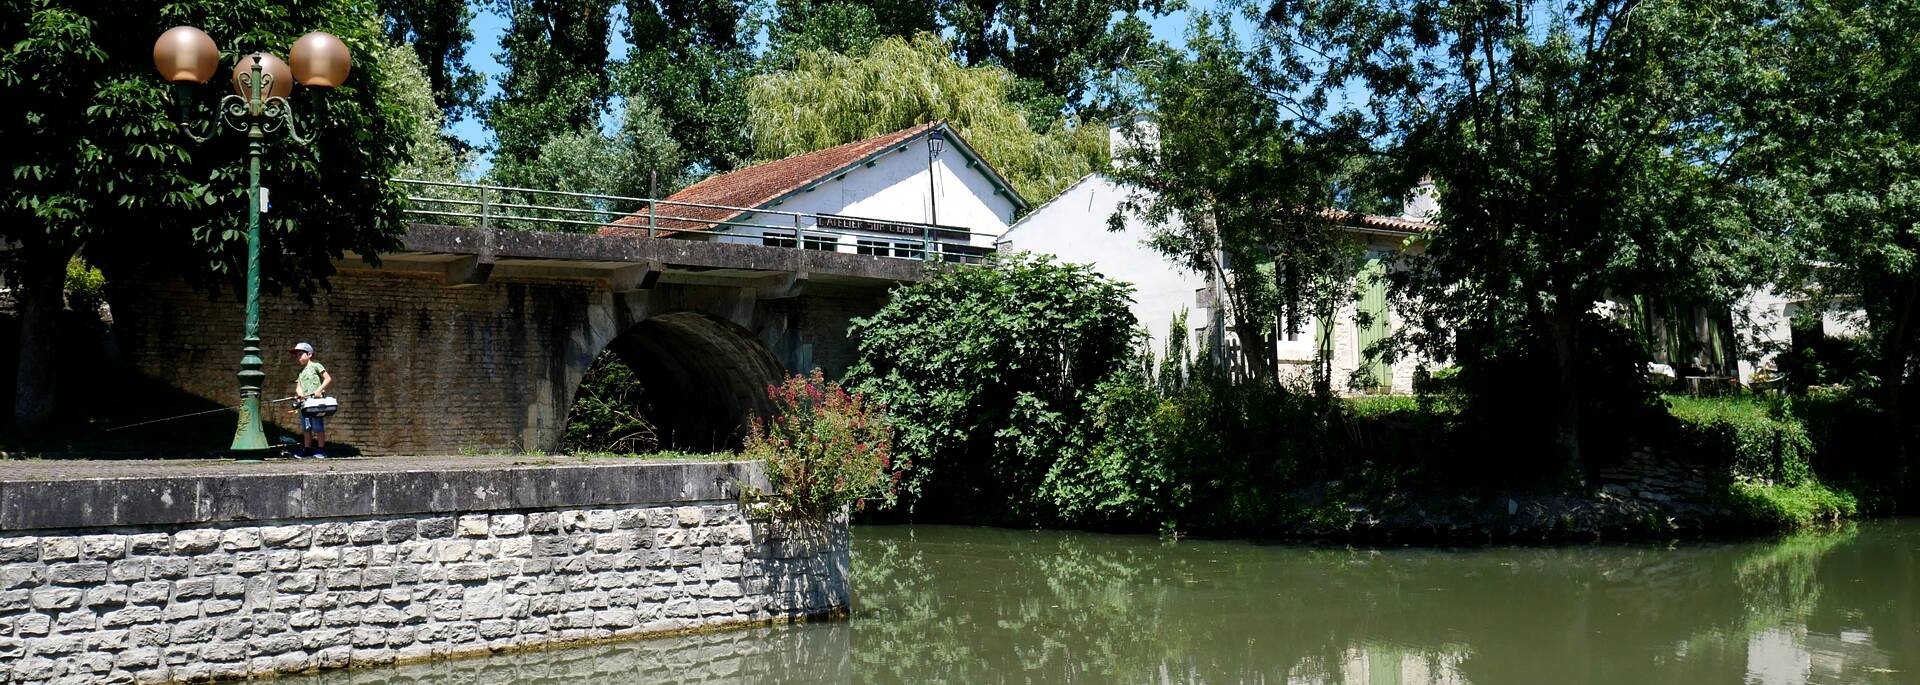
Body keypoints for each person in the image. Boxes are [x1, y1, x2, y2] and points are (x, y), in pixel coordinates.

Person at [289, 342, 333, 458]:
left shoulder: (316, 366)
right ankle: (307, 449)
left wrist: (319, 390)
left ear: (309, 354)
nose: (298, 357)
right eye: (297, 355)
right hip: (305, 404)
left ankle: (321, 449)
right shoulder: (301, 372)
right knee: (306, 427)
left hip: (315, 403)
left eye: (300, 354)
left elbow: (327, 378)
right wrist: (300, 394)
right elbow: (298, 386)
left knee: (318, 426)